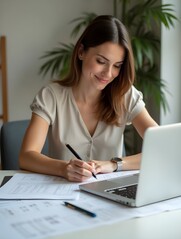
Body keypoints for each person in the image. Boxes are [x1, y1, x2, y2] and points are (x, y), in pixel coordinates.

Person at [19, 15, 158, 182]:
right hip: (62, 195)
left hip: (111, 197)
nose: (108, 74)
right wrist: (64, 168)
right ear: (81, 52)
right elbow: (26, 156)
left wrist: (114, 164)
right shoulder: (51, 96)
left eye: (117, 66)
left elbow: (162, 146)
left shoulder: (125, 95)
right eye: (101, 61)